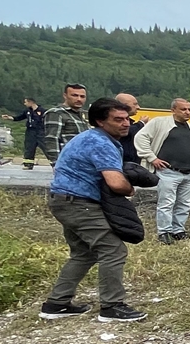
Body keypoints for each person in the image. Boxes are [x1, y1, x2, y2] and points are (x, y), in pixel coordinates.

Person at [39, 98, 145, 323]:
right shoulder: (100, 142)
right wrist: (130, 188)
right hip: (80, 203)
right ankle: (112, 306)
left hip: (64, 200)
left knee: (83, 253)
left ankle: (56, 304)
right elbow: (116, 183)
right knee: (113, 250)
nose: (125, 123)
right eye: (118, 119)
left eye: (127, 119)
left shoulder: (90, 138)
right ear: (100, 121)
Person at [135, 98, 190, 244]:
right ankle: (164, 232)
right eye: (183, 109)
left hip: (188, 172)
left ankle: (178, 230)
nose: (187, 112)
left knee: (184, 203)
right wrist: (152, 158)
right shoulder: (160, 123)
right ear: (173, 110)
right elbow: (141, 137)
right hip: (168, 171)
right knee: (167, 203)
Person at [43, 83, 89, 166]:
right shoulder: (56, 113)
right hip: (67, 162)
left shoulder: (82, 115)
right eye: (74, 95)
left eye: (82, 96)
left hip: (83, 162)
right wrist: (56, 163)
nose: (79, 99)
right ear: (65, 96)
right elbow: (51, 139)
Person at [8, 97, 47, 169]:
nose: (24, 104)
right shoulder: (27, 111)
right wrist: (10, 118)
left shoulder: (43, 111)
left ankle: (55, 164)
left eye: (26, 102)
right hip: (30, 131)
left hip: (40, 131)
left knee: (46, 147)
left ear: (31, 102)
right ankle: (28, 164)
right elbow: (19, 117)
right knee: (29, 148)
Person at [115, 93, 142, 163]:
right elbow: (126, 132)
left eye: (127, 119)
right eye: (135, 104)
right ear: (124, 105)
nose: (138, 107)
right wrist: (141, 124)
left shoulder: (132, 123)